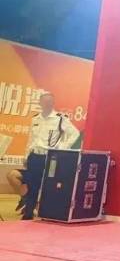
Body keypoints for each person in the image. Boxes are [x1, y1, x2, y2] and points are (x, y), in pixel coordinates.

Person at [6, 92, 80, 220]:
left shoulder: (60, 118)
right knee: (31, 184)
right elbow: (31, 139)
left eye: (50, 101)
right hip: (34, 156)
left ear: (53, 103)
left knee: (47, 185)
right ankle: (28, 212)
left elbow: (75, 133)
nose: (47, 103)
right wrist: (26, 156)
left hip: (50, 158)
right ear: (40, 103)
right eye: (45, 101)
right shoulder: (35, 119)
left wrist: (62, 147)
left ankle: (41, 211)